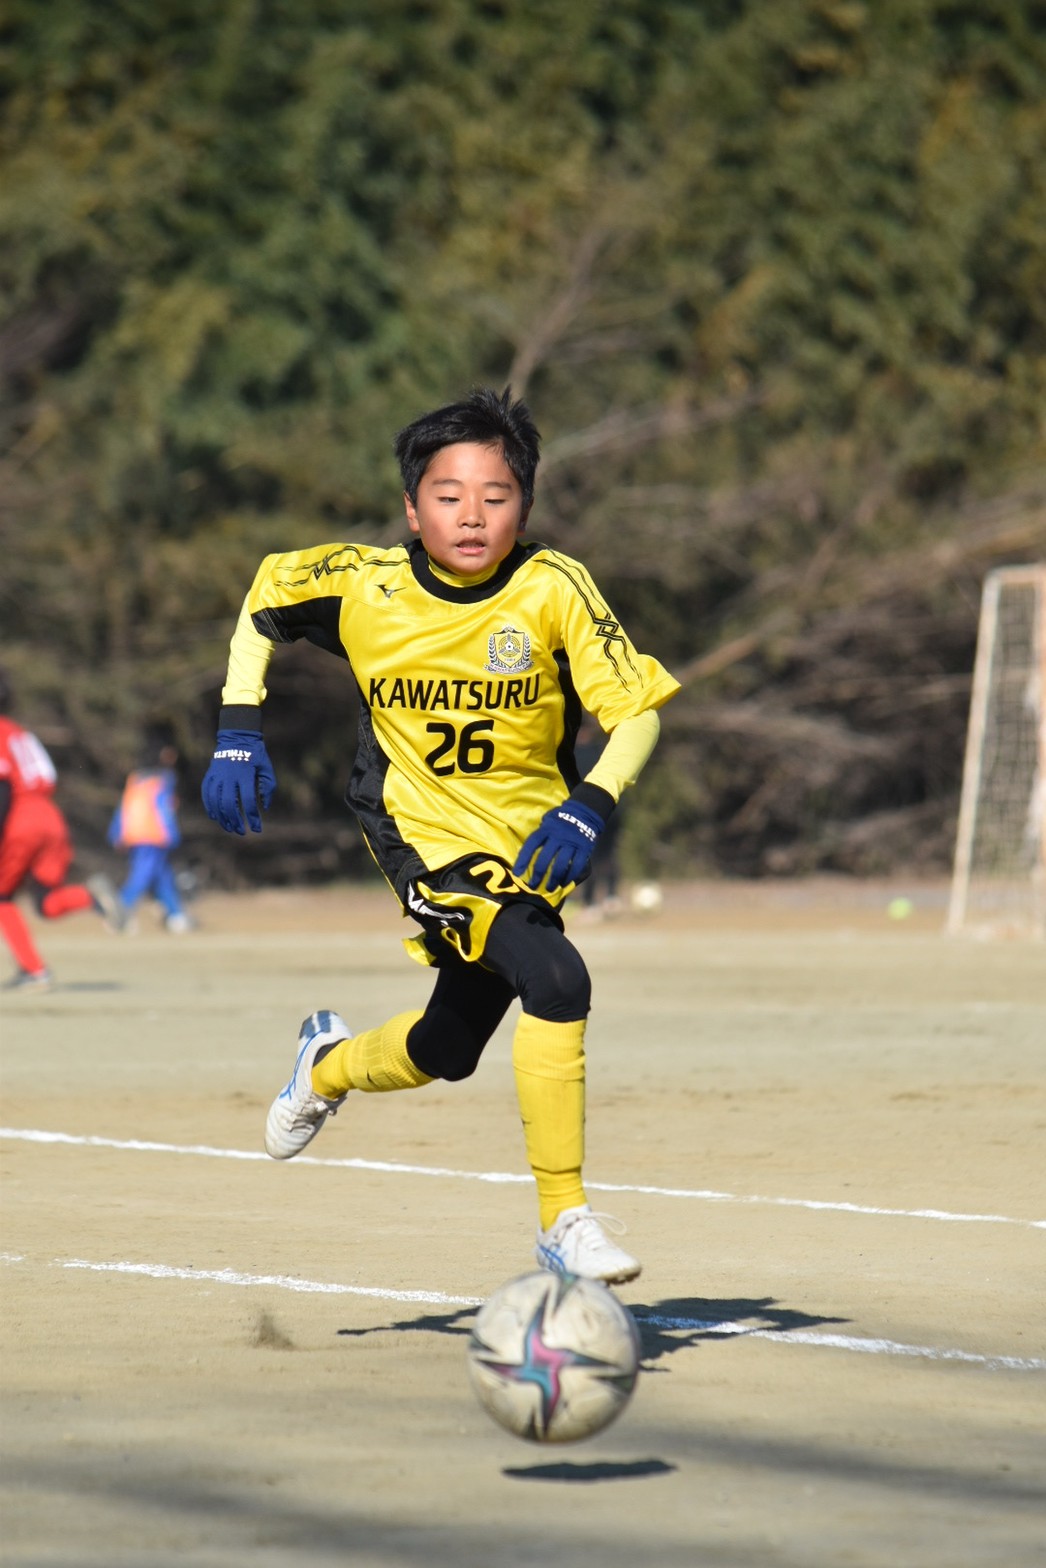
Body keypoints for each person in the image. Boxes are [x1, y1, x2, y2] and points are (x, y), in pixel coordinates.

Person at [201, 386, 680, 1283]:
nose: (472, 515)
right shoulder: (366, 587)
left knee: (447, 1051)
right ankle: (563, 1220)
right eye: (449, 496)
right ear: (412, 511)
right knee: (557, 976)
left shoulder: (555, 588)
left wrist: (591, 803)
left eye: (496, 497)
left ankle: (327, 1066)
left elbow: (641, 712)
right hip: (416, 832)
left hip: (531, 847)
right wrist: (238, 723)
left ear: (524, 507)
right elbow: (267, 593)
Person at [0, 670, 127, 991]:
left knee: (1, 898)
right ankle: (89, 896)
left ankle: (35, 970)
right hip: (49, 816)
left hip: (20, 817)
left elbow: (2, 788)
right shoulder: (19, 732)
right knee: (45, 901)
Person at [108, 738, 193, 933]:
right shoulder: (164, 779)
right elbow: (164, 809)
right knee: (141, 876)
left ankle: (176, 915)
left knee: (163, 876)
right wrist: (172, 834)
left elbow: (123, 809)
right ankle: (119, 913)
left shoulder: (136, 778)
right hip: (153, 835)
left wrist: (117, 832)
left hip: (136, 834)